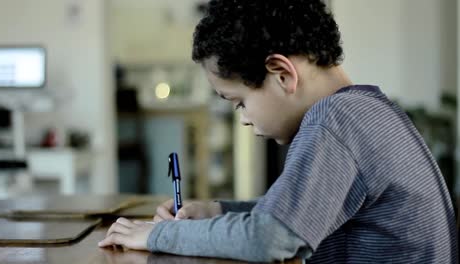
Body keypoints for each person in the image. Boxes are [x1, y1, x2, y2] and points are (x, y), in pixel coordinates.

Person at [98, 0, 458, 263]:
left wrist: (159, 235)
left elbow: (270, 237)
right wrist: (219, 210)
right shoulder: (369, 109)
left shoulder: (333, 120)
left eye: (239, 102)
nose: (242, 118)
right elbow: (295, 213)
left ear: (282, 74)